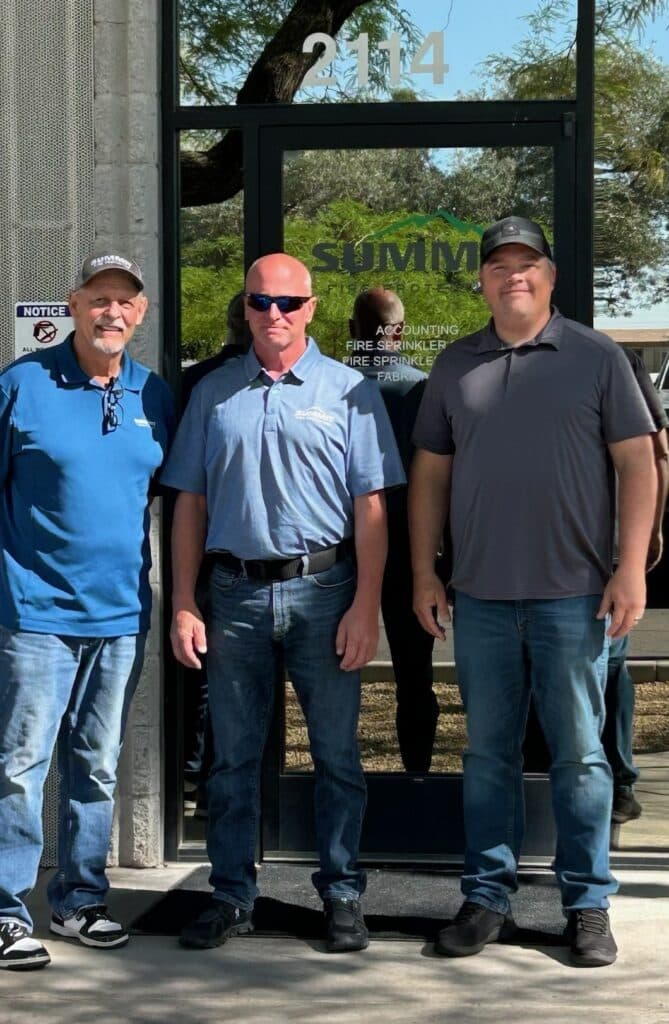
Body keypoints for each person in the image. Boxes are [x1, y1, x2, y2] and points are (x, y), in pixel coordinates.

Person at [409, 216, 657, 968]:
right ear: (481, 281)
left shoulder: (594, 356)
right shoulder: (456, 364)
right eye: (498, 265)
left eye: (526, 264)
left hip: (575, 597)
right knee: (487, 755)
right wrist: (424, 571)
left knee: (581, 757)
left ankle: (586, 905)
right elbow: (429, 475)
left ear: (549, 277)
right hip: (480, 596)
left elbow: (638, 463)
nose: (512, 275)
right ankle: (487, 896)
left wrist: (631, 567)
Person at [162, 253, 405, 954]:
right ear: (244, 307)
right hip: (232, 594)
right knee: (232, 760)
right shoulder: (212, 392)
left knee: (336, 756)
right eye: (261, 301)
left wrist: (366, 605)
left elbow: (370, 508)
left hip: (325, 593)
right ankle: (231, 894)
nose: (274, 314)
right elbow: (189, 503)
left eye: (289, 302)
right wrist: (184, 601)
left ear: (312, 307)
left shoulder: (350, 390)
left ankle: (342, 894)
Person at [0, 253, 175, 970]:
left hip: (121, 617)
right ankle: (6, 913)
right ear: (73, 305)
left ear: (140, 313)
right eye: (99, 299)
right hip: (36, 615)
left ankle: (79, 902)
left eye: (124, 302)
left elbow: (165, 496)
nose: (112, 313)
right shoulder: (22, 385)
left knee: (96, 766)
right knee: (21, 767)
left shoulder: (152, 393)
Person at [349, 287, 445, 772]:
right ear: (400, 332)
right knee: (414, 673)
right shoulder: (423, 390)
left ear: (353, 331)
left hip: (345, 548)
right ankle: (417, 773)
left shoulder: (335, 389)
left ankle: (342, 778)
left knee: (338, 671)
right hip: (411, 549)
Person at [180, 289, 251, 818]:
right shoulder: (206, 386)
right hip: (214, 553)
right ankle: (207, 780)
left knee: (206, 673)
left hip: (209, 552)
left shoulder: (188, 379)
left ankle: (194, 774)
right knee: (219, 674)